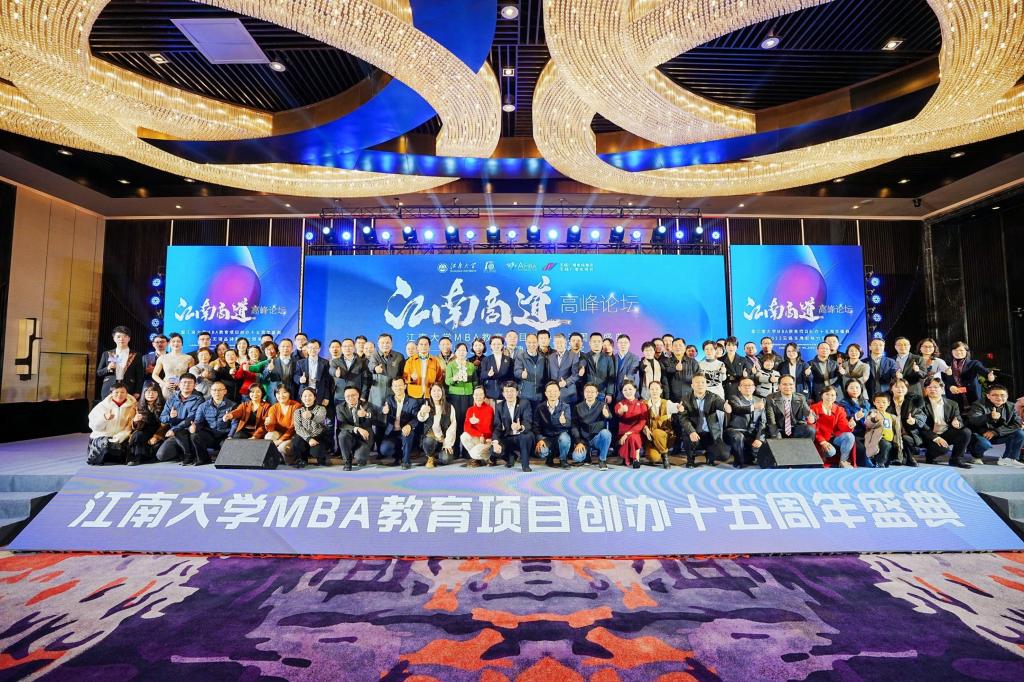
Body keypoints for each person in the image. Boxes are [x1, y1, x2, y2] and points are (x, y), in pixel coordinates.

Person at [919, 377, 972, 468]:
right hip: (928, 435)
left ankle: (956, 459)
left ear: (942, 389)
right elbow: (921, 424)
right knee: (943, 449)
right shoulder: (920, 403)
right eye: (929, 387)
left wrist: (957, 423)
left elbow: (959, 419)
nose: (932, 389)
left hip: (945, 433)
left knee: (966, 432)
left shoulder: (952, 404)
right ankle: (930, 455)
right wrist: (935, 437)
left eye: (935, 387)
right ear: (925, 389)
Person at [966, 384, 1024, 467]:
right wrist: (989, 416)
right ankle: (976, 456)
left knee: (1020, 433)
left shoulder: (1011, 406)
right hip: (981, 434)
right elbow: (973, 420)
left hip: (999, 434)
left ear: (1007, 396)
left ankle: (1008, 459)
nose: (999, 398)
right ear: (988, 396)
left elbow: (1017, 423)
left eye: (1002, 395)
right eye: (995, 395)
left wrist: (995, 432)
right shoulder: (978, 404)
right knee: (984, 444)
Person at [155, 373, 204, 464]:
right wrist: (171, 417)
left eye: (190, 383)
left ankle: (188, 453)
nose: (186, 385)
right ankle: (182, 451)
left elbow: (190, 418)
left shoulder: (199, 399)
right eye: (184, 382)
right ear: (179, 384)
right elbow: (162, 417)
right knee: (161, 455)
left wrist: (174, 429)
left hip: (190, 432)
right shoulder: (172, 398)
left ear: (195, 385)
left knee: (185, 433)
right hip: (175, 434)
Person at [86, 381, 137, 465]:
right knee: (104, 444)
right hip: (103, 436)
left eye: (122, 392)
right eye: (116, 392)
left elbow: (129, 426)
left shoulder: (133, 406)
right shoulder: (102, 406)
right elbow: (94, 426)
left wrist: (122, 436)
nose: (119, 395)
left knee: (131, 444)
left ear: (127, 393)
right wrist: (104, 418)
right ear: (111, 394)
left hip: (121, 437)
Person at [378, 377, 420, 469]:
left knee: (407, 433)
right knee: (384, 449)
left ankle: (406, 461)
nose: (398, 388)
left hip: (405, 431)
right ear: (392, 388)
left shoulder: (413, 401)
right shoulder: (389, 399)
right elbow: (382, 410)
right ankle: (398, 457)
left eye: (400, 385)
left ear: (405, 386)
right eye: (395, 386)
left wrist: (409, 425)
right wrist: (383, 410)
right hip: (392, 432)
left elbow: (416, 418)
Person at [491, 381, 534, 471]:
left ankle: (525, 465)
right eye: (506, 391)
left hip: (521, 436)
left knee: (527, 436)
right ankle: (511, 456)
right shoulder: (499, 406)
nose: (509, 394)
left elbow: (528, 422)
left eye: (512, 391)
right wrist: (495, 442)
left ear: (517, 392)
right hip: (508, 437)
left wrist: (520, 427)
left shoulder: (524, 403)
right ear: (503, 394)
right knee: (493, 450)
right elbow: (497, 427)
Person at [190, 380, 235, 465]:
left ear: (225, 391)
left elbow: (234, 424)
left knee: (226, 460)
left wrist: (230, 436)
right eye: (214, 390)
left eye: (220, 390)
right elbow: (198, 422)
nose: (217, 392)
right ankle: (203, 459)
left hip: (225, 436)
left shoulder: (232, 405)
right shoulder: (203, 406)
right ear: (211, 391)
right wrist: (194, 427)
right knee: (195, 435)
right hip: (210, 436)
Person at [725, 377, 766, 469]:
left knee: (756, 456)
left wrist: (759, 438)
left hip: (752, 433)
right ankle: (739, 462)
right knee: (738, 437)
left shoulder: (759, 400)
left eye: (750, 385)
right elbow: (738, 409)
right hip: (735, 431)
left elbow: (763, 421)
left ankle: (749, 456)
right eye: (745, 385)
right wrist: (753, 407)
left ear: (754, 388)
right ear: (739, 388)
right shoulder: (733, 398)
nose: (748, 387)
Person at [810, 386, 856, 468]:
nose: (829, 397)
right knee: (831, 452)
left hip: (834, 437)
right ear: (822, 395)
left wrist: (849, 425)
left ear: (836, 397)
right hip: (819, 438)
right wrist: (822, 441)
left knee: (849, 436)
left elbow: (843, 427)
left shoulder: (840, 409)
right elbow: (813, 428)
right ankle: (821, 457)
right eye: (827, 394)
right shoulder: (814, 408)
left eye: (832, 395)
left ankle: (843, 461)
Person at [572, 383, 613, 470]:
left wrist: (606, 415)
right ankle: (587, 456)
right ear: (584, 393)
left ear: (597, 393)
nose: (589, 394)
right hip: (584, 440)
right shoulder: (578, 407)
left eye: (592, 392)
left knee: (606, 433)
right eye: (587, 391)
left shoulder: (602, 405)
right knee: (577, 457)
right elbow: (574, 426)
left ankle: (602, 460)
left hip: (596, 439)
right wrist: (578, 442)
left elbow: (610, 417)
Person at [336, 385, 377, 471]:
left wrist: (366, 414)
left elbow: (375, 417)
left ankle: (356, 452)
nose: (350, 398)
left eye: (353, 395)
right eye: (347, 396)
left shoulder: (366, 405)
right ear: (344, 397)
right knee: (342, 435)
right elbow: (342, 424)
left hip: (364, 438)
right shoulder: (340, 407)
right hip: (349, 436)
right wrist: (358, 429)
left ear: (358, 395)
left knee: (361, 459)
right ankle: (347, 461)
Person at [97, 326, 144, 398]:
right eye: (118, 336)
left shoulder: (136, 355)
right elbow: (99, 372)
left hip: (129, 388)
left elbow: (140, 375)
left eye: (125, 336)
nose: (121, 339)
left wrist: (138, 391)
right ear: (114, 338)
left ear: (129, 338)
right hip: (109, 388)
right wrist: (108, 368)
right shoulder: (107, 354)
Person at [534, 381, 574, 468]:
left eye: (555, 391)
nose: (552, 393)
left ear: (559, 393)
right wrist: (540, 439)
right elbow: (536, 426)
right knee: (542, 451)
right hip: (546, 437)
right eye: (550, 391)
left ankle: (563, 460)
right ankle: (549, 458)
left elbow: (569, 424)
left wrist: (564, 421)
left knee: (565, 438)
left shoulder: (565, 406)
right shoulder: (540, 407)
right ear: (545, 393)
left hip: (560, 436)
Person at [947, 341, 996, 411]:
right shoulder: (946, 364)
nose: (958, 352)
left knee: (975, 414)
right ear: (951, 352)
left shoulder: (974, 363)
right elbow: (943, 379)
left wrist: (990, 376)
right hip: (954, 396)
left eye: (961, 350)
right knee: (957, 415)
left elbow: (985, 372)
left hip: (972, 395)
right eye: (955, 350)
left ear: (966, 352)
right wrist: (950, 387)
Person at [445, 342, 476, 452]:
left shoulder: (471, 365)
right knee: (456, 422)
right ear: (455, 352)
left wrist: (475, 394)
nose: (462, 352)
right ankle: (456, 449)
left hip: (468, 396)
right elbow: (447, 381)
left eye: (464, 350)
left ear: (467, 352)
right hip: (455, 396)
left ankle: (468, 450)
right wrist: (454, 378)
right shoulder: (451, 365)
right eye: (459, 350)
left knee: (467, 421)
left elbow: (475, 381)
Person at [765, 375, 815, 442]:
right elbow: (771, 420)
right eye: (784, 384)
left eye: (790, 384)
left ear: (794, 386)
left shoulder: (800, 397)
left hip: (796, 428)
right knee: (776, 440)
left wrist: (812, 417)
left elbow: (807, 411)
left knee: (810, 430)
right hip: (778, 429)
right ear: (779, 386)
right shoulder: (771, 398)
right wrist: (776, 436)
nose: (788, 387)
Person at [417, 383, 456, 468]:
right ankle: (430, 457)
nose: (436, 393)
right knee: (428, 441)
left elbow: (453, 426)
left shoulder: (449, 407)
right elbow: (421, 418)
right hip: (432, 437)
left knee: (445, 459)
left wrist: (447, 443)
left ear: (442, 392)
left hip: (444, 439)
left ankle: (437, 456)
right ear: (430, 393)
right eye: (434, 391)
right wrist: (423, 412)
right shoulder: (426, 405)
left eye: (439, 390)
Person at [127, 383, 165, 466]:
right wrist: (135, 421)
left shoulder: (164, 405)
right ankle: (135, 457)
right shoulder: (137, 405)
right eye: (148, 392)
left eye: (154, 392)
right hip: (144, 430)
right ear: (143, 393)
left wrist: (156, 437)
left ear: (158, 393)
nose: (151, 394)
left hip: (159, 431)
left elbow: (165, 425)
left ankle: (147, 457)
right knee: (137, 435)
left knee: (156, 448)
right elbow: (131, 424)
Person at [643, 379, 677, 468]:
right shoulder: (644, 404)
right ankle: (659, 452)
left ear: (661, 390)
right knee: (653, 457)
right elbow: (641, 421)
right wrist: (645, 429)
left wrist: (679, 407)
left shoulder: (666, 403)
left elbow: (675, 407)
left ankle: (665, 455)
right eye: (652, 389)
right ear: (649, 391)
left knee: (657, 432)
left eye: (657, 389)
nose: (654, 391)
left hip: (665, 437)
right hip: (651, 438)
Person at [890, 378, 924, 466]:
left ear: (907, 389)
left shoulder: (912, 402)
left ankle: (909, 458)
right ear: (891, 388)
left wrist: (914, 421)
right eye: (897, 387)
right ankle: (898, 457)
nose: (900, 389)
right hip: (891, 433)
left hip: (908, 433)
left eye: (903, 387)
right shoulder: (886, 401)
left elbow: (921, 416)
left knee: (906, 439)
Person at [614, 380, 648, 469]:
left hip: (636, 431)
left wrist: (627, 434)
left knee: (633, 437)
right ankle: (628, 456)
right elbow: (618, 412)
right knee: (630, 438)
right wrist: (621, 411)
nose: (628, 392)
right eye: (625, 390)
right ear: (622, 392)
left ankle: (636, 459)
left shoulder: (642, 404)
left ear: (635, 390)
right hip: (622, 434)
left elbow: (641, 423)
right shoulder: (619, 404)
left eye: (630, 389)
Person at [292, 387, 329, 468]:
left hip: (318, 436)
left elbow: (320, 418)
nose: (307, 398)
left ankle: (322, 458)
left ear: (314, 397)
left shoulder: (321, 408)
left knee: (317, 452)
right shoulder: (298, 411)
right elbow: (298, 428)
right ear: (301, 398)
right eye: (305, 396)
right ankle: (302, 460)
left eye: (310, 395)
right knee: (296, 441)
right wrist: (309, 439)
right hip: (305, 438)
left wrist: (311, 416)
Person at [151, 332, 194, 400]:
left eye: (178, 341)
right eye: (173, 341)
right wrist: (164, 383)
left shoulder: (189, 358)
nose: (176, 343)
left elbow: (192, 375)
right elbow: (154, 375)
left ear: (182, 344)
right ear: (169, 343)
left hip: (182, 388)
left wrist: (183, 383)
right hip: (166, 388)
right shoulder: (162, 358)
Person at [367, 332, 406, 408]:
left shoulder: (399, 356)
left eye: (388, 342)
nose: (385, 345)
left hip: (394, 392)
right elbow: (371, 365)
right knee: (376, 413)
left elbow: (402, 374)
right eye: (382, 343)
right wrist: (375, 368)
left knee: (394, 412)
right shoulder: (374, 355)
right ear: (378, 344)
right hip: (378, 392)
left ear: (391, 343)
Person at [838, 380, 871, 466]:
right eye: (851, 388)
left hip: (867, 431)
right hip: (854, 432)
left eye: (857, 388)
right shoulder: (843, 403)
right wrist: (856, 416)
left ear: (861, 389)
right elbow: (844, 418)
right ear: (846, 389)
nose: (855, 390)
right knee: (862, 449)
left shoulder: (866, 403)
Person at [264, 385, 300, 464]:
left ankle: (290, 459)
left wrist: (280, 440)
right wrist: (268, 424)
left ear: (289, 394)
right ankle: (275, 459)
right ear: (275, 395)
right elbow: (271, 429)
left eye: (284, 392)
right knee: (268, 436)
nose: (281, 395)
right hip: (280, 434)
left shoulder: (296, 406)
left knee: (282, 448)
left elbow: (293, 428)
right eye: (278, 393)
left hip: (293, 435)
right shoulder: (273, 407)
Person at [460, 385, 494, 467]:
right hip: (478, 438)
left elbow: (487, 429)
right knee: (464, 436)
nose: (478, 397)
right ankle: (478, 459)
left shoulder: (489, 409)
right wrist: (479, 434)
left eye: (481, 394)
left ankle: (488, 458)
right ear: (473, 396)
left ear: (484, 396)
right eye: (476, 394)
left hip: (487, 440)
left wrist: (477, 422)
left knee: (473, 453)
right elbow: (466, 428)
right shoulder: (470, 410)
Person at [403, 336, 445, 401]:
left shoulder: (434, 361)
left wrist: (435, 390)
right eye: (421, 344)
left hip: (430, 395)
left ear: (429, 347)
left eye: (426, 344)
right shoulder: (410, 361)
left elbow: (439, 378)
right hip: (413, 395)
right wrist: (411, 378)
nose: (423, 346)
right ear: (417, 347)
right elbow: (404, 378)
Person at [515, 333, 548, 415]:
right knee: (525, 418)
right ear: (526, 343)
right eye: (529, 342)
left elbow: (545, 375)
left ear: (538, 343)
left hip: (539, 395)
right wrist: (521, 374)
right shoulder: (520, 356)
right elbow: (516, 371)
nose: (532, 345)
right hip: (525, 394)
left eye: (534, 342)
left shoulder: (543, 358)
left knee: (537, 418)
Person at [864, 392, 900, 467]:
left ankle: (882, 461)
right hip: (879, 439)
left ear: (888, 403)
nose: (881, 404)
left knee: (890, 453)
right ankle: (879, 462)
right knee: (885, 445)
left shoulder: (891, 416)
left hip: (890, 439)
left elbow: (895, 429)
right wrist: (874, 419)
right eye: (878, 402)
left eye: (884, 402)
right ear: (874, 402)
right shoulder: (873, 413)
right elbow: (867, 423)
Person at [296, 339, 333, 409]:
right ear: (307, 349)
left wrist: (326, 396)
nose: (313, 350)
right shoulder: (300, 362)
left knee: (318, 413)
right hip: (304, 394)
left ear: (319, 349)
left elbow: (327, 381)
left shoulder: (325, 362)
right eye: (310, 348)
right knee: (304, 413)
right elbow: (295, 376)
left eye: (315, 348)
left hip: (320, 393)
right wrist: (300, 379)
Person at [547, 333, 581, 405]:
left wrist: (566, 382)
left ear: (565, 342)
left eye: (561, 342)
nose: (559, 344)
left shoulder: (573, 356)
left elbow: (576, 375)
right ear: (554, 344)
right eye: (557, 342)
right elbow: (549, 376)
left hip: (568, 393)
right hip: (553, 394)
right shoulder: (550, 357)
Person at [663, 337, 699, 403]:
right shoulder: (666, 362)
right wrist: (675, 369)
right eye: (675, 345)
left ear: (685, 348)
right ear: (672, 348)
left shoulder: (693, 362)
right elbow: (664, 381)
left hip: (690, 398)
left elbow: (698, 379)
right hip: (672, 399)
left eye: (680, 345)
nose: (678, 347)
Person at [481, 335, 514, 402]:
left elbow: (512, 377)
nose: (496, 346)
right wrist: (488, 374)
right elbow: (482, 375)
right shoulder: (486, 359)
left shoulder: (509, 360)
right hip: (490, 394)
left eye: (499, 344)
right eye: (494, 344)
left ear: (502, 345)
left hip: (505, 394)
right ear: (490, 346)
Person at [261, 340, 296, 404]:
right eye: (283, 346)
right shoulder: (271, 361)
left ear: (292, 348)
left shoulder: (297, 362)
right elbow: (263, 378)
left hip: (292, 394)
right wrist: (268, 370)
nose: (285, 348)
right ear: (279, 348)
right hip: (275, 395)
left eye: (288, 346)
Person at [613, 335, 639, 401]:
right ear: (617, 344)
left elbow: (632, 371)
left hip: (628, 391)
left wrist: (627, 378)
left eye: (625, 342)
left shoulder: (634, 358)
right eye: (620, 342)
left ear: (629, 344)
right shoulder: (613, 357)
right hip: (614, 391)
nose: (623, 344)